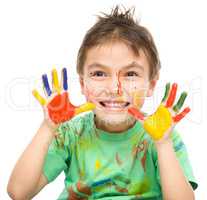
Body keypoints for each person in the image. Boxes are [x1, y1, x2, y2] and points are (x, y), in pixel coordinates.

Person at [7, 5, 197, 200]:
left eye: (130, 74)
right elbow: (19, 192)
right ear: (82, 84)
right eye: (99, 73)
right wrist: (48, 127)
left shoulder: (161, 136)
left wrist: (163, 144)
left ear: (151, 85)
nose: (114, 88)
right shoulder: (70, 134)